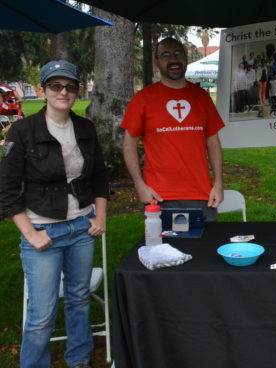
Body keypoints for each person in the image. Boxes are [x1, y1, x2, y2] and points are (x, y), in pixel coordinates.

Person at [0, 60, 109, 368]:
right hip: (43, 231)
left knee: (78, 300)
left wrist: (99, 216)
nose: (64, 92)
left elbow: (100, 177)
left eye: (70, 87)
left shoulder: (85, 128)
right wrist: (30, 233)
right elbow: (6, 190)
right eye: (56, 86)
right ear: (43, 90)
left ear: (77, 91)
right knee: (42, 314)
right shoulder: (22, 131)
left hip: (81, 228)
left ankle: (79, 360)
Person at [121, 37, 225, 221]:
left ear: (186, 58)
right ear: (156, 63)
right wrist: (139, 185)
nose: (174, 60)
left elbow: (213, 142)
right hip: (158, 196)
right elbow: (129, 145)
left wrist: (218, 183)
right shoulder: (143, 99)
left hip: (202, 195)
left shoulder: (201, 97)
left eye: (179, 54)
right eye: (166, 55)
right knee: (162, 250)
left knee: (206, 248)